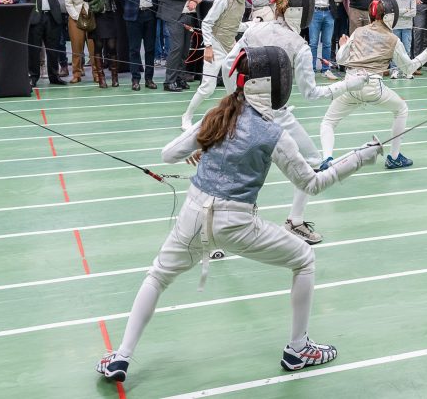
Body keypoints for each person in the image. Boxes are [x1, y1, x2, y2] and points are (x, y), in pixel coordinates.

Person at [95, 46, 383, 384]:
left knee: (157, 276)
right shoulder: (275, 134)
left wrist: (202, 144)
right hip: (237, 223)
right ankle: (298, 349)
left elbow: (169, 153)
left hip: (192, 215)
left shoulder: (218, 114)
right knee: (303, 258)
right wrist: (360, 156)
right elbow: (312, 183)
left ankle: (121, 358)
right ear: (274, 85)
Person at [221, 0, 367, 245]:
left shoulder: (255, 29)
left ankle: (215, 232)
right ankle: (294, 221)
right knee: (311, 161)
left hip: (242, 109)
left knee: (233, 167)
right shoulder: (299, 47)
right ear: (302, 12)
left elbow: (227, 66)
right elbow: (311, 94)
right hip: (276, 114)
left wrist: (236, 100)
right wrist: (349, 84)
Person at [320, 3, 427, 170]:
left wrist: (342, 46)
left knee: (328, 121)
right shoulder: (393, 39)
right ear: (389, 16)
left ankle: (327, 160)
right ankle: (394, 157)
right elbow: (409, 69)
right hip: (372, 87)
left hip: (350, 85)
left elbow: (340, 60)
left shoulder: (358, 31)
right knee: (401, 109)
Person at [180, 0, 254, 130]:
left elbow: (233, 26)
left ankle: (234, 116)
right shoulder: (224, 0)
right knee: (208, 87)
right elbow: (207, 23)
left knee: (235, 86)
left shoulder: (242, 3)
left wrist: (252, 24)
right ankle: (187, 116)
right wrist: (208, 46)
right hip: (214, 45)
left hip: (230, 46)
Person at [159, 0, 208, 92]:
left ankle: (180, 78)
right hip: (175, 15)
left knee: (186, 49)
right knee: (177, 47)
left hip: (190, 15)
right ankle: (170, 81)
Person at [18, 0, 67, 86]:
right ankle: (33, 77)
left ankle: (54, 76)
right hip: (35, 18)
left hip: (52, 16)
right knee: (34, 49)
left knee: (53, 48)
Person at [116, 0, 160, 91]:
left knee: (150, 49)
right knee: (134, 49)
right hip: (133, 15)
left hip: (150, 14)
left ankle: (149, 78)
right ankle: (135, 79)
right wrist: (130, 7)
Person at [303, 0, 340, 80]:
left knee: (327, 43)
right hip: (315, 12)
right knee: (313, 43)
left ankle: (326, 69)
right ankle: (311, 69)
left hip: (329, 11)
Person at [389, 0, 417, 79]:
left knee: (406, 48)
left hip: (407, 27)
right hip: (395, 26)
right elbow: (393, 12)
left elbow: (413, 12)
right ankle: (394, 70)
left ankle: (407, 70)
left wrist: (400, 12)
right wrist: (405, 10)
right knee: (395, 49)